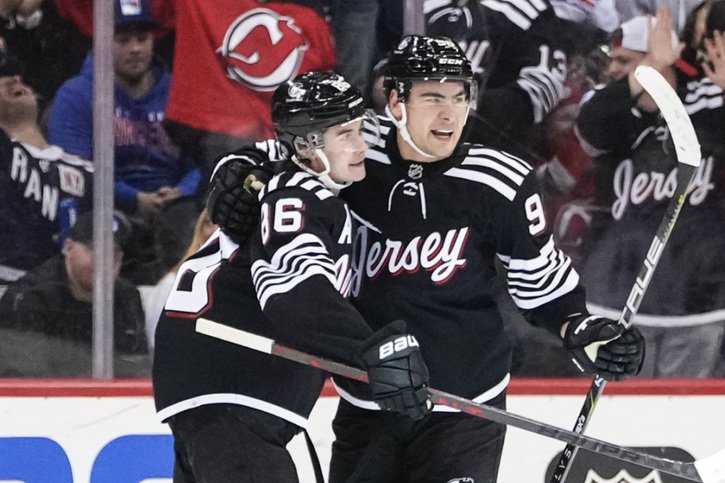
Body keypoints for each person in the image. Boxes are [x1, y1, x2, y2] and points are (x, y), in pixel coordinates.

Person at [207, 35, 646, 483]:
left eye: (460, 96)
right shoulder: (354, 149)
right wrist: (238, 175)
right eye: (433, 97)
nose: (450, 113)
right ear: (395, 100)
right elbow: (281, 152)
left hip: (465, 408)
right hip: (368, 402)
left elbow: (543, 286)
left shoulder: (501, 180)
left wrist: (582, 328)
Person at [152, 71, 431, 482]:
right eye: (345, 135)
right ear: (307, 146)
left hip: (215, 391)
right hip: (234, 391)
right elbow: (293, 288)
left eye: (359, 130)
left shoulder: (284, 183)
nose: (361, 146)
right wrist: (372, 349)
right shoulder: (299, 195)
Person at [576, 5, 725, 378]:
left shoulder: (710, 101)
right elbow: (591, 129)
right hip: (615, 297)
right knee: (613, 420)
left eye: (628, 61)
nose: (614, 70)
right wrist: (646, 72)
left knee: (682, 423)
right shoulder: (610, 104)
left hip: (698, 301)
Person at [47, 0, 201, 285]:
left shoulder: (178, 91)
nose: (135, 49)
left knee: (191, 225)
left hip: (175, 207)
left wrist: (181, 191)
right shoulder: (76, 95)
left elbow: (199, 159)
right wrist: (134, 198)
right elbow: (72, 173)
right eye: (123, 39)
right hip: (106, 208)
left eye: (142, 38)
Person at [0, 210, 149, 377]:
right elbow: (25, 381)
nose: (103, 262)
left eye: (112, 254)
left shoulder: (127, 297)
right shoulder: (29, 298)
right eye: (94, 249)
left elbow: (139, 369)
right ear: (69, 248)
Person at [0, 38, 94, 286]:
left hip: (64, 296)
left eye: (20, 79)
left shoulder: (86, 171)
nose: (14, 80)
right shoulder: (4, 152)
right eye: (2, 79)